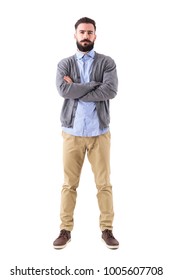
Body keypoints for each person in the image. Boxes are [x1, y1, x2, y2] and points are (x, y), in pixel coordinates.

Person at [53, 17, 119, 249]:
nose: (85, 36)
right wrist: (94, 85)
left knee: (104, 184)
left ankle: (107, 229)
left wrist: (77, 89)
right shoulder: (65, 64)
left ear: (95, 36)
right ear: (75, 35)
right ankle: (65, 230)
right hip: (72, 133)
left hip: (99, 133)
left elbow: (110, 90)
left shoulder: (107, 62)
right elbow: (63, 90)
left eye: (89, 33)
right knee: (69, 184)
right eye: (82, 32)